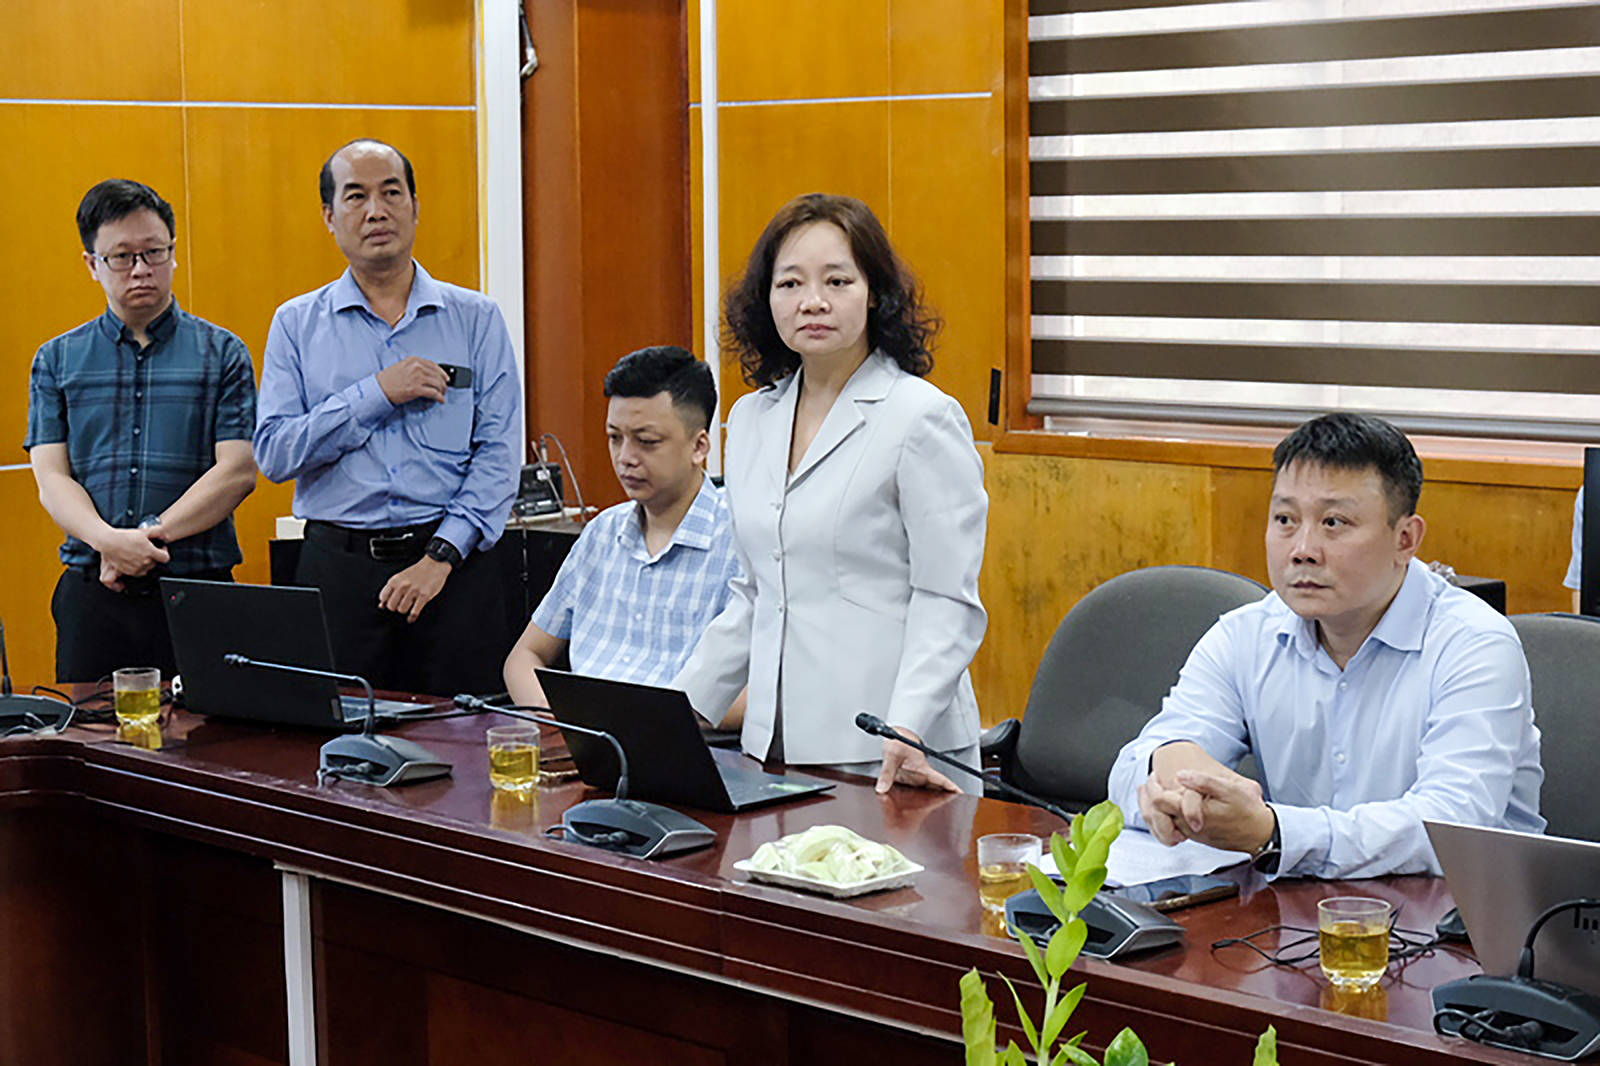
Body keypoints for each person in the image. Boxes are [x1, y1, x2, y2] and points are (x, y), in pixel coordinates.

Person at [1108, 413, 1543, 879]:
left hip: (1461, 913)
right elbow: (1127, 776)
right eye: (1285, 519)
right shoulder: (1244, 636)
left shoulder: (1474, 644)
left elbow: (1450, 825)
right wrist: (1170, 763)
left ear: (1405, 539)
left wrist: (1275, 833)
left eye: (1333, 522)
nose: (1303, 549)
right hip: (1296, 910)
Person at [674, 193, 988, 794]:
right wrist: (682, 709)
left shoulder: (920, 417)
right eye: (790, 283)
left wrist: (906, 724)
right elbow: (756, 591)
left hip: (891, 749)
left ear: (874, 294)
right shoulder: (752, 420)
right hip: (774, 745)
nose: (812, 301)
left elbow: (947, 598)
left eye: (837, 281)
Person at [254, 139, 521, 695]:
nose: (376, 211)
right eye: (356, 196)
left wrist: (440, 557)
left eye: (391, 193)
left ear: (415, 207)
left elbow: (499, 455)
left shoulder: (475, 319)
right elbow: (275, 453)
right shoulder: (296, 324)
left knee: (465, 736)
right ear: (329, 217)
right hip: (340, 574)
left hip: (454, 572)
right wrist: (377, 393)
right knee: (341, 738)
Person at [25, 179, 258, 683]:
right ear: (92, 264)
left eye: (154, 251)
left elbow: (237, 472)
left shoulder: (223, 353)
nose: (141, 268)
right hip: (93, 591)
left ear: (173, 252)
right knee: (89, 728)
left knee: (208, 731)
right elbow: (52, 478)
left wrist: (146, 536)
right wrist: (108, 541)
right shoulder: (56, 359)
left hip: (197, 588)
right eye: (122, 257)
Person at [502, 346, 743, 710]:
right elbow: (524, 656)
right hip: (580, 732)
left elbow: (770, 695)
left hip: (683, 734)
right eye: (615, 437)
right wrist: (554, 719)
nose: (625, 458)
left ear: (699, 446)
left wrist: (632, 716)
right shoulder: (602, 533)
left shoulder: (740, 540)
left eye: (647, 442)